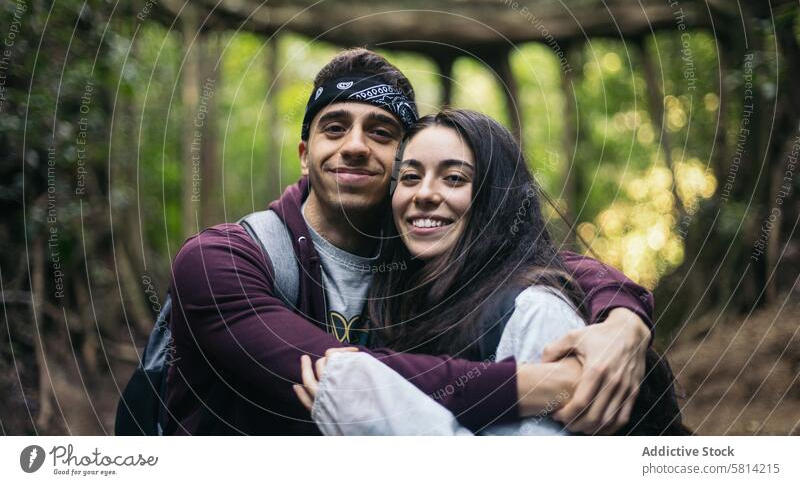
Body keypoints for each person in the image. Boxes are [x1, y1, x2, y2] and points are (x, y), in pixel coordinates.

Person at [165, 48, 654, 435]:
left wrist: (624, 317)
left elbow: (525, 259)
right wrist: (548, 383)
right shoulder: (221, 261)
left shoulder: (413, 243)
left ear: (402, 162)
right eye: (334, 128)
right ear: (303, 154)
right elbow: (350, 382)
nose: (355, 145)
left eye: (380, 132)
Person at [294, 109, 687, 436]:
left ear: (496, 198)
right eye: (410, 177)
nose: (424, 193)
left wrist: (371, 407)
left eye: (454, 178)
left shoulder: (534, 309)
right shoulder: (402, 301)